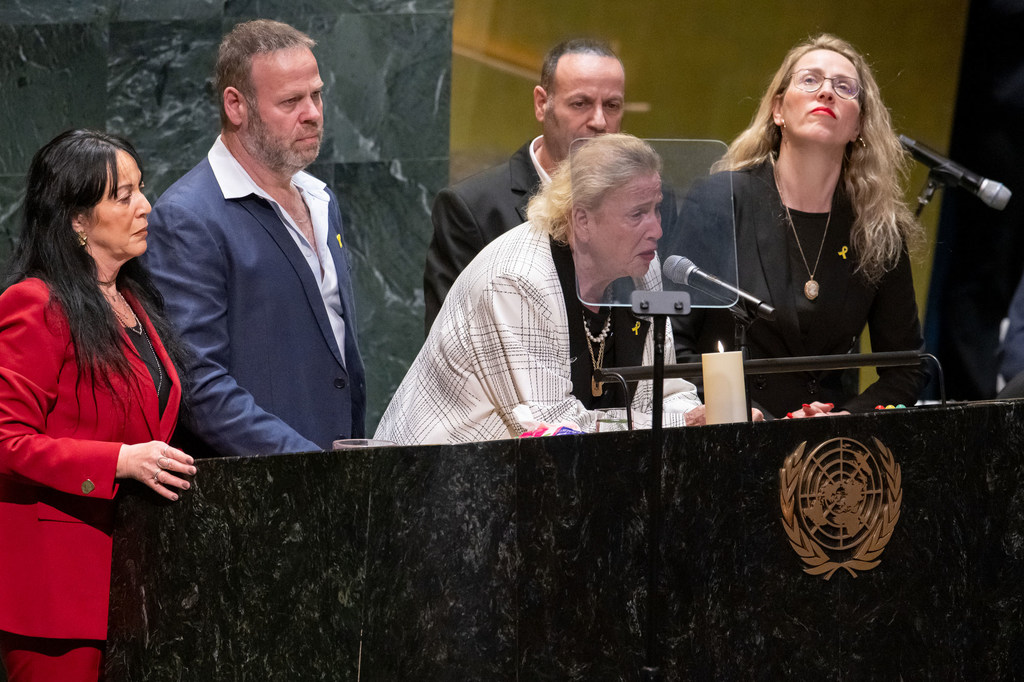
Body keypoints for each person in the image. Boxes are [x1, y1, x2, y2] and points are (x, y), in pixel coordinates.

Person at [0, 129, 195, 681]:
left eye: (141, 189)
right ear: (77, 221)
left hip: (135, 579)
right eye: (123, 195)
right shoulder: (34, 305)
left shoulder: (135, 299)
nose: (145, 207)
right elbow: (7, 441)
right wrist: (118, 462)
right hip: (56, 591)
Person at [377, 134, 707, 445]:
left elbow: (666, 391)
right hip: (434, 479)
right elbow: (554, 427)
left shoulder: (642, 269)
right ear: (583, 220)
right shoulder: (517, 281)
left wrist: (712, 418)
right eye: (637, 214)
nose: (657, 230)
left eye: (657, 209)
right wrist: (678, 425)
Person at [144, 19, 366, 457]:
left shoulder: (321, 199)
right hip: (255, 494)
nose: (313, 113)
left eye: (316, 94)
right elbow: (199, 385)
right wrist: (304, 462)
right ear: (236, 105)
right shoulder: (187, 218)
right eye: (291, 101)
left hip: (338, 478)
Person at [673, 34, 925, 420]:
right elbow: (675, 339)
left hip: (827, 454)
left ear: (858, 125)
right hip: (731, 435)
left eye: (845, 87)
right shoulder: (719, 199)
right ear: (778, 109)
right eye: (810, 80)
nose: (826, 92)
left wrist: (847, 418)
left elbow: (907, 367)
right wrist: (733, 409)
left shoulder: (877, 228)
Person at [423, 38, 626, 333]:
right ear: (542, 104)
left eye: (612, 105)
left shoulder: (643, 206)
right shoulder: (472, 209)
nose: (599, 121)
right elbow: (450, 342)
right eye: (580, 103)